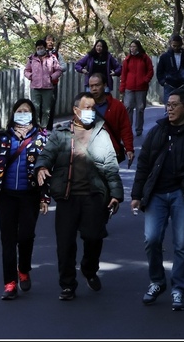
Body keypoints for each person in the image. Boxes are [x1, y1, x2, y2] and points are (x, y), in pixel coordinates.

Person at [130, 88, 184, 312]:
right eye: (168, 104)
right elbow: (144, 164)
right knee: (152, 239)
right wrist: (136, 195)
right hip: (156, 193)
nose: (169, 108)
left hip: (183, 194)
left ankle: (179, 288)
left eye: (174, 104)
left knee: (182, 243)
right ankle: (157, 281)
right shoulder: (157, 132)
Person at [36, 91, 124, 301]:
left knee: (94, 237)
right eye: (86, 108)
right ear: (76, 110)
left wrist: (116, 194)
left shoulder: (101, 134)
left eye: (93, 108)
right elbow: (46, 155)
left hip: (94, 197)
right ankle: (67, 285)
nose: (90, 112)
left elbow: (111, 167)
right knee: (65, 244)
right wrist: (41, 167)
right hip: (67, 197)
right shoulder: (60, 134)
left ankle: (89, 268)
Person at [0, 99, 51, 301]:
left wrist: (45, 197)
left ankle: (23, 269)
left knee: (26, 236)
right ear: (13, 114)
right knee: (7, 239)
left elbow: (47, 169)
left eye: (27, 111)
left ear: (33, 114)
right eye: (19, 111)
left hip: (30, 195)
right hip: (6, 195)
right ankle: (9, 283)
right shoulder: (4, 138)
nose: (23, 114)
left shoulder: (42, 138)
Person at [88, 73, 134, 167]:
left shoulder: (117, 106)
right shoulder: (85, 106)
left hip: (111, 154)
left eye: (97, 85)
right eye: (91, 86)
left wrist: (129, 149)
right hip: (89, 154)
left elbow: (125, 129)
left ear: (104, 85)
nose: (94, 89)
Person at [24, 39, 63, 127]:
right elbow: (26, 70)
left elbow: (58, 70)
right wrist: (30, 76)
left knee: (46, 110)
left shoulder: (52, 58)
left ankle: (44, 128)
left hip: (48, 88)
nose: (39, 50)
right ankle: (37, 127)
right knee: (35, 108)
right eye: (38, 48)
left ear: (45, 48)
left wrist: (52, 77)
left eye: (41, 48)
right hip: (35, 87)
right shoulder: (31, 58)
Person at [120, 39, 154, 137]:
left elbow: (150, 70)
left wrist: (145, 80)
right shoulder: (127, 59)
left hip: (141, 88)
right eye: (131, 47)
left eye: (134, 46)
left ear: (138, 47)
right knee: (128, 107)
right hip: (129, 87)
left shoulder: (144, 58)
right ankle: (128, 128)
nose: (132, 49)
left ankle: (139, 129)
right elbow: (124, 74)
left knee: (140, 108)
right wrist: (122, 87)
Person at [155, 35, 184, 104]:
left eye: (178, 46)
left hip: (182, 86)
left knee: (181, 107)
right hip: (169, 85)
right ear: (170, 44)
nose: (176, 48)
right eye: (174, 46)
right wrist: (163, 82)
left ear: (181, 45)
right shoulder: (165, 56)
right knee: (169, 108)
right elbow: (159, 71)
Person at [44, 34, 63, 129]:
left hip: (52, 84)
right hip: (40, 85)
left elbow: (63, 67)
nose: (50, 42)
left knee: (51, 106)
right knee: (40, 107)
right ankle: (40, 129)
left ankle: (49, 128)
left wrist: (54, 74)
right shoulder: (39, 53)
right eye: (48, 40)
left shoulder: (57, 54)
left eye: (52, 40)